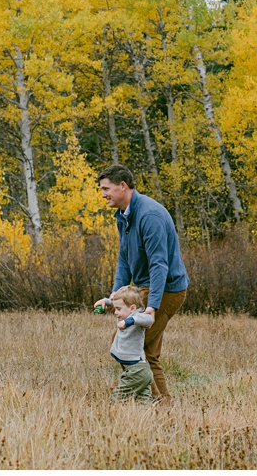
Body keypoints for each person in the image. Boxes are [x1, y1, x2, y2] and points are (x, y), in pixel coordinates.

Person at [94, 164, 190, 403]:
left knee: (127, 344)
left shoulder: (149, 216)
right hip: (146, 287)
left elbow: (159, 265)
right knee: (148, 352)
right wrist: (115, 297)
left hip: (167, 288)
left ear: (122, 186)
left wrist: (152, 307)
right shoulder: (123, 216)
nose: (103, 194)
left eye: (106, 189)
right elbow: (124, 259)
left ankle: (150, 402)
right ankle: (162, 405)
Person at [107, 285, 154, 403]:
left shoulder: (136, 317)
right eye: (115, 308)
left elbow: (148, 319)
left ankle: (113, 417)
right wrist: (105, 301)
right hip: (140, 370)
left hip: (137, 370)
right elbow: (118, 304)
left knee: (117, 398)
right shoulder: (125, 313)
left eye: (118, 309)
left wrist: (130, 321)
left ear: (132, 308)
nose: (115, 312)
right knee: (143, 403)